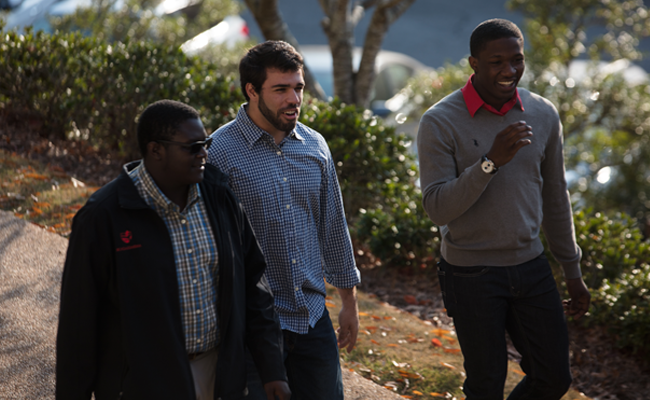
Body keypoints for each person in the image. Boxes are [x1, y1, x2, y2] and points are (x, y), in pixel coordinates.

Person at [56, 100, 291, 400]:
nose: (204, 153)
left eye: (205, 144)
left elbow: (254, 287)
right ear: (156, 150)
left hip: (218, 376)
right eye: (193, 147)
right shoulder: (102, 217)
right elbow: (79, 323)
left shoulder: (220, 198)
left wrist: (272, 370)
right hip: (144, 384)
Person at [417, 19, 591, 400]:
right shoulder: (439, 121)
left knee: (553, 377)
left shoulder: (542, 114)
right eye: (496, 62)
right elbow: (437, 208)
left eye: (517, 60)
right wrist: (489, 162)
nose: (509, 71)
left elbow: (556, 197)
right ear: (473, 64)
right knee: (485, 384)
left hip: (531, 266)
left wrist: (572, 270)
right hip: (471, 273)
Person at [207, 40, 361, 400]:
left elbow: (333, 227)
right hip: (252, 327)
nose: (294, 99)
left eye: (298, 88)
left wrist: (349, 303)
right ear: (251, 90)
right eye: (281, 89)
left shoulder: (315, 146)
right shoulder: (219, 153)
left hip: (311, 318)